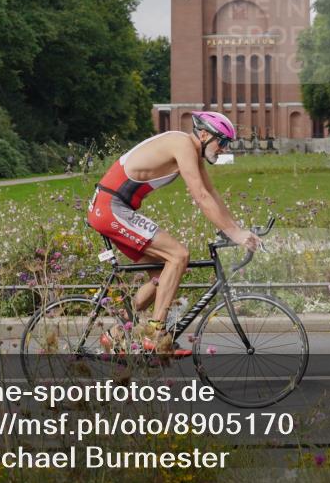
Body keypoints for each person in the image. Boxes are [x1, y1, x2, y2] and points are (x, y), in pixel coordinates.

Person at [87, 111, 260, 352]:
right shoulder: (182, 145)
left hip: (115, 207)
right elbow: (199, 196)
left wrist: (238, 230)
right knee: (178, 255)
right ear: (203, 134)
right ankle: (156, 334)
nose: (223, 149)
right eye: (221, 141)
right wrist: (234, 233)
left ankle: (117, 332)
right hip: (110, 207)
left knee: (162, 275)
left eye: (227, 144)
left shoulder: (190, 149)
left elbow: (212, 194)